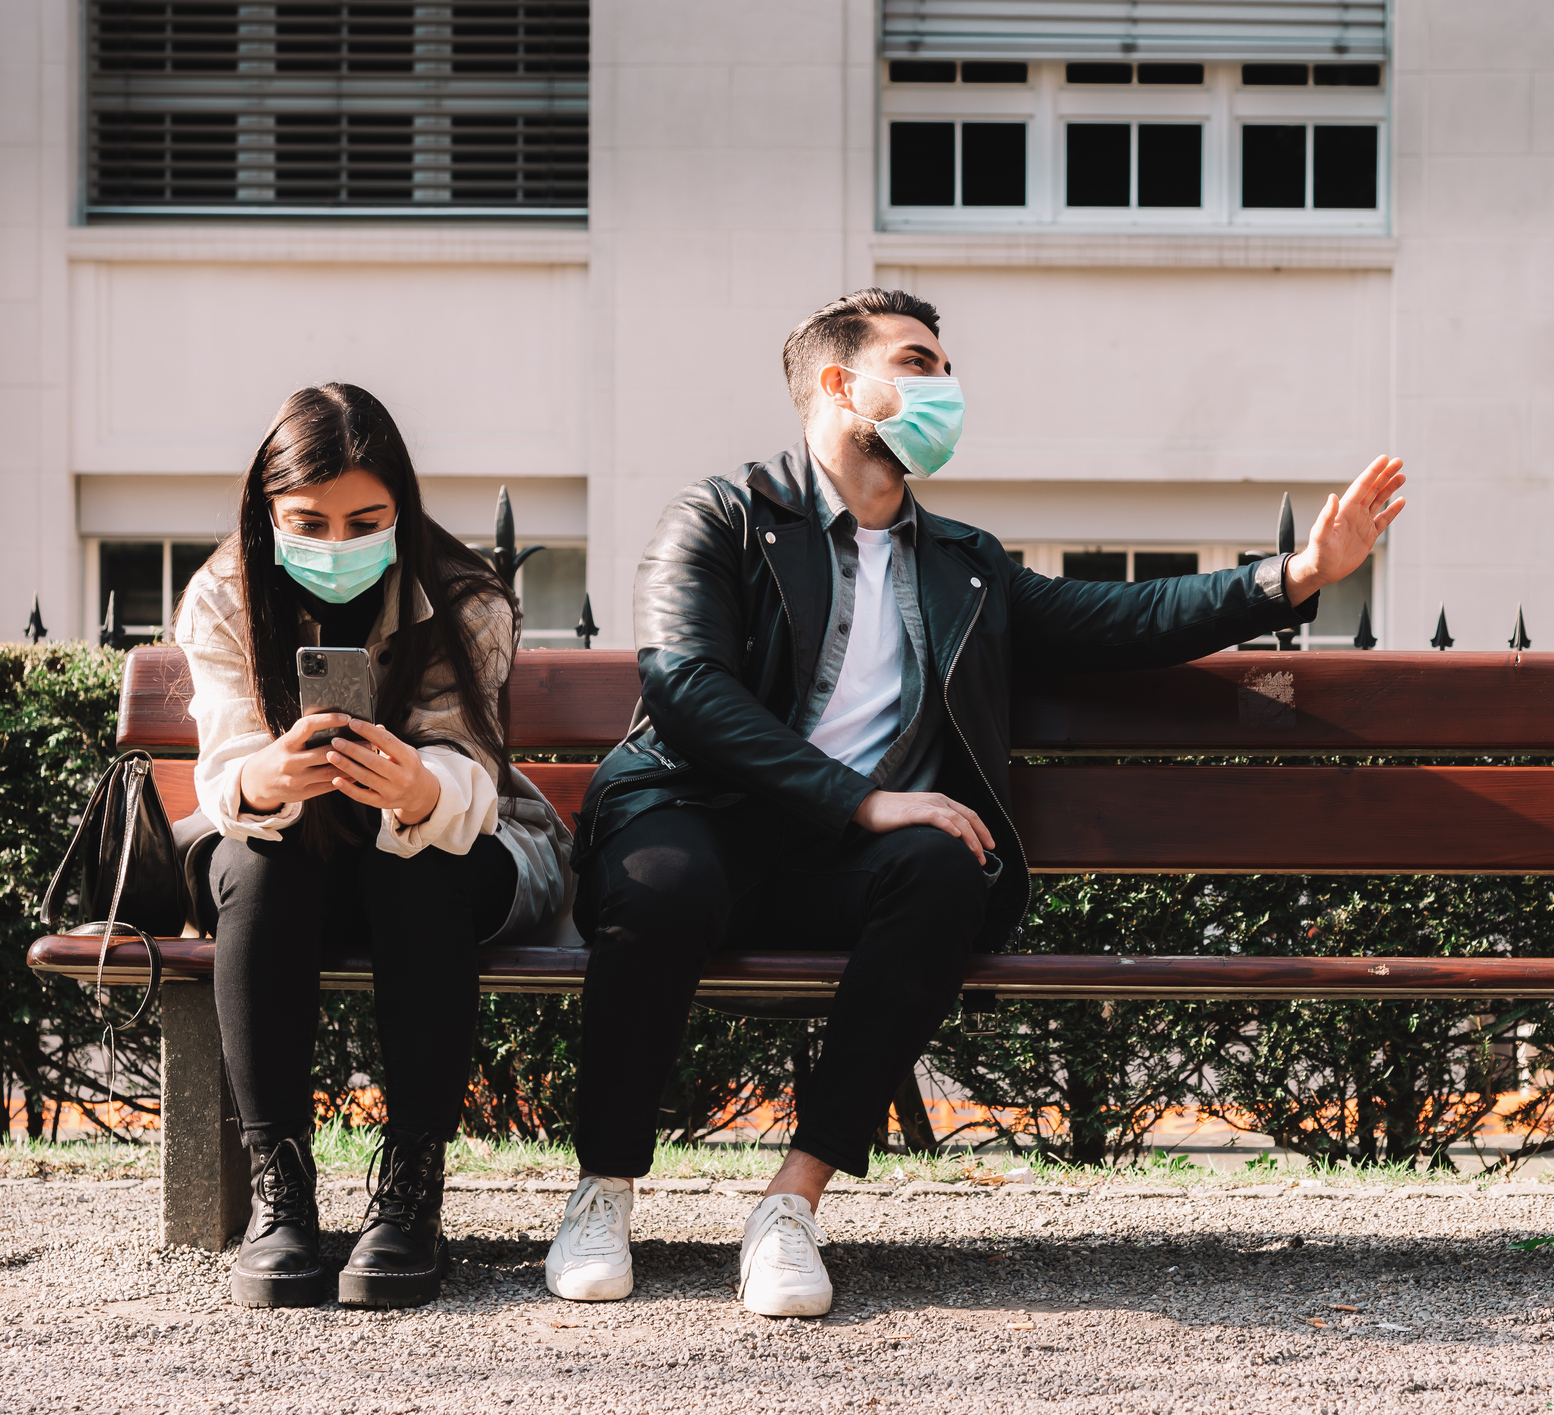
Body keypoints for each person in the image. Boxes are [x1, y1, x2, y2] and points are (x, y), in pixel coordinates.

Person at [542, 288, 1405, 1316]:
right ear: (837, 382)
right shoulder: (724, 517)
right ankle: (602, 1187)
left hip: (838, 865)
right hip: (697, 817)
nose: (944, 388)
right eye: (917, 363)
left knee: (950, 863)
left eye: (947, 370)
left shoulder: (965, 567)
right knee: (662, 884)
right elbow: (686, 689)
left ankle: (791, 1204)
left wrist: (1299, 572)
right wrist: (861, 801)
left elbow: (1122, 616)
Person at [175, 383, 571, 1310]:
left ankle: (410, 1192)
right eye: (307, 520)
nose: (339, 543)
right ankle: (282, 1193)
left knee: (417, 865)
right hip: (292, 861)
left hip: (452, 850)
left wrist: (422, 787)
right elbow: (225, 759)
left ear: (403, 508)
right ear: (265, 512)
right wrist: (264, 778)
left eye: (367, 520)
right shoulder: (225, 596)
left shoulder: (464, 596)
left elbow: (474, 776)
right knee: (256, 860)